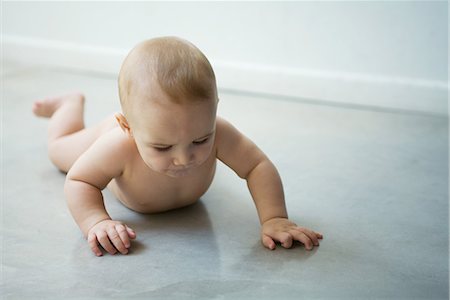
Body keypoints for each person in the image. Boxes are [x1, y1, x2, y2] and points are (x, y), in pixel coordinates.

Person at [33, 36, 323, 256]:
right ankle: (69, 105)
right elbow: (80, 180)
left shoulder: (219, 131)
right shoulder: (118, 144)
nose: (184, 158)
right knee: (59, 150)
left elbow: (257, 166)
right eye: (162, 147)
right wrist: (96, 221)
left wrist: (274, 217)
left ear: (214, 111)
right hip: (103, 135)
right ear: (129, 127)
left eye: (200, 140)